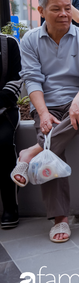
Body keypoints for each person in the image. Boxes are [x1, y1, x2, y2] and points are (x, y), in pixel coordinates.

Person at [10, 0, 79, 242]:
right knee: (54, 145)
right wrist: (43, 112)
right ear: (41, 10)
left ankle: (32, 152)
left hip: (78, 98)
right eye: (56, 9)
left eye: (67, 8)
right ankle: (60, 219)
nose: (64, 13)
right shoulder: (29, 40)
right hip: (47, 104)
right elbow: (32, 79)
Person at [0, 34, 22, 229]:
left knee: (4, 143)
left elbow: (17, 78)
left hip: (4, 111)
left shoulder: (8, 44)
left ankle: (10, 207)